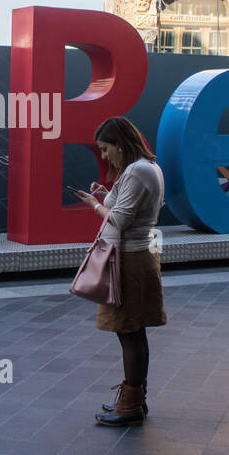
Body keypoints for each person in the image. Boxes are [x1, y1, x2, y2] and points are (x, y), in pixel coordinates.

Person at [74, 116, 167, 426]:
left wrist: (93, 204)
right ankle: (133, 398)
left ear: (120, 144)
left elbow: (119, 220)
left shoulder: (138, 171)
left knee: (129, 332)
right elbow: (126, 208)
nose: (103, 156)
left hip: (129, 259)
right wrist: (104, 193)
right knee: (131, 331)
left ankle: (130, 404)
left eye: (105, 148)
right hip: (136, 256)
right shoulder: (144, 167)